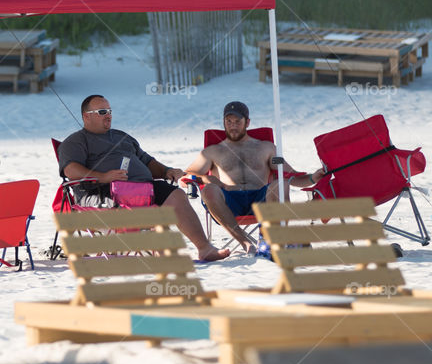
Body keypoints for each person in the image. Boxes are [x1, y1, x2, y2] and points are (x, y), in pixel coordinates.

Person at [58, 94, 231, 262]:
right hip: (102, 192)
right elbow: (71, 170)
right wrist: (103, 177)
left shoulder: (122, 137)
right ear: (86, 116)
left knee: (175, 194)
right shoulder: (75, 142)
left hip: (142, 189)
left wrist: (166, 171)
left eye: (110, 110)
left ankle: (204, 248)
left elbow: (147, 161)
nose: (108, 115)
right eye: (102, 112)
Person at [183, 101, 325, 250]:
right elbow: (187, 175)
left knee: (281, 184)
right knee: (209, 190)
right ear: (223, 122)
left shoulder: (267, 148)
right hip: (229, 202)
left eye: (238, 121)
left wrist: (311, 178)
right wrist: (206, 178)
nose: (233, 125)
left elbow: (289, 174)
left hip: (261, 199)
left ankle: (270, 241)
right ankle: (244, 242)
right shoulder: (212, 151)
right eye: (229, 121)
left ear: (247, 122)